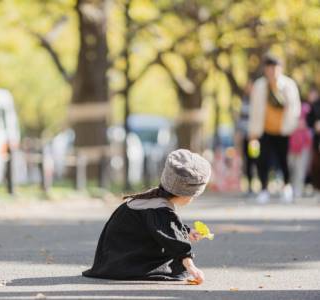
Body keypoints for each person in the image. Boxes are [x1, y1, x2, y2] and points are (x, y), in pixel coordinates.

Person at [83, 149, 211, 283]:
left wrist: (187, 231)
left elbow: (166, 229)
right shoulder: (159, 209)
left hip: (114, 258)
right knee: (174, 265)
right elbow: (173, 241)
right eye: (193, 196)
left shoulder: (152, 199)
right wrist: (191, 267)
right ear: (185, 194)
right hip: (126, 263)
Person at [248, 54, 301, 204]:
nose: (272, 71)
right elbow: (254, 110)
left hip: (283, 130)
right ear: (265, 69)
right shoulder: (259, 86)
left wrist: (293, 127)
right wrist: (253, 131)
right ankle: (264, 189)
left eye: (275, 68)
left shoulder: (288, 85)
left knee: (283, 160)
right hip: (263, 129)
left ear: (280, 69)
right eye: (269, 68)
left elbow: (295, 108)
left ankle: (287, 187)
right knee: (262, 160)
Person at [236, 81, 258, 196]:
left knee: (256, 160)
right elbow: (240, 121)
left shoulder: (258, 102)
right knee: (248, 161)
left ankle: (260, 184)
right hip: (246, 137)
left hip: (255, 137)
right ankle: (250, 186)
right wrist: (239, 135)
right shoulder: (243, 101)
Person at [288, 102, 312, 198]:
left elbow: (311, 123)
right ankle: (293, 189)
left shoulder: (307, 109)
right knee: (292, 168)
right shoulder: (291, 109)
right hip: (292, 145)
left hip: (303, 145)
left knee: (300, 169)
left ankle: (298, 191)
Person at [307, 88, 320, 191]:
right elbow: (309, 120)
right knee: (316, 164)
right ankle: (317, 187)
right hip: (317, 140)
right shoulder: (314, 105)